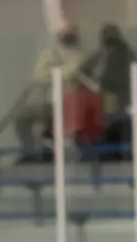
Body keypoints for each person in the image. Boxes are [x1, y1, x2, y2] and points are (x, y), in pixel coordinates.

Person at [14, 20, 87, 160]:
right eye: (67, 30)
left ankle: (51, 154)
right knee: (22, 119)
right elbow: (38, 76)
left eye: (73, 30)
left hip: (68, 103)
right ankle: (29, 153)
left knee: (55, 128)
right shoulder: (49, 52)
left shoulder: (78, 54)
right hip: (47, 102)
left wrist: (53, 70)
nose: (70, 33)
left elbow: (68, 72)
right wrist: (57, 72)